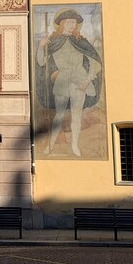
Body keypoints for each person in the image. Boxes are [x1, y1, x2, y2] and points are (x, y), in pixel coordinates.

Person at [36, 8, 103, 157]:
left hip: (80, 80)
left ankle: (75, 145)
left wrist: (87, 80)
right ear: (62, 24)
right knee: (59, 116)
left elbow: (96, 64)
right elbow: (41, 62)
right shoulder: (52, 42)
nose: (72, 25)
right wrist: (41, 46)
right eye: (69, 22)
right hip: (62, 80)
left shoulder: (81, 41)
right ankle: (50, 145)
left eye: (74, 22)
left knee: (77, 114)